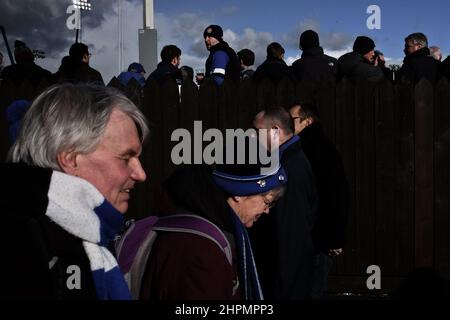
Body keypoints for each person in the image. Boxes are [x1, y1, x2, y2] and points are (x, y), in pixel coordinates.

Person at [2, 83, 149, 299]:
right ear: (70, 159)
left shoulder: (81, 234)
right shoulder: (21, 247)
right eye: (126, 158)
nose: (141, 174)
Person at [139, 162, 287, 300]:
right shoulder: (201, 249)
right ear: (240, 193)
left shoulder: (216, 229)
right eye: (267, 202)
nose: (267, 211)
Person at [251, 107, 318, 299]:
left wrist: (280, 289)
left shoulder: (289, 168)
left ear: (275, 130)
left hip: (285, 280)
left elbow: (290, 233)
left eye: (257, 131)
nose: (254, 137)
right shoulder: (286, 161)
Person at [289, 102, 349, 299]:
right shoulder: (307, 147)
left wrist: (335, 238)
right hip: (316, 234)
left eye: (293, 120)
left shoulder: (314, 149)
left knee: (311, 290)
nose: (288, 124)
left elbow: (336, 193)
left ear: (308, 121)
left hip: (318, 236)